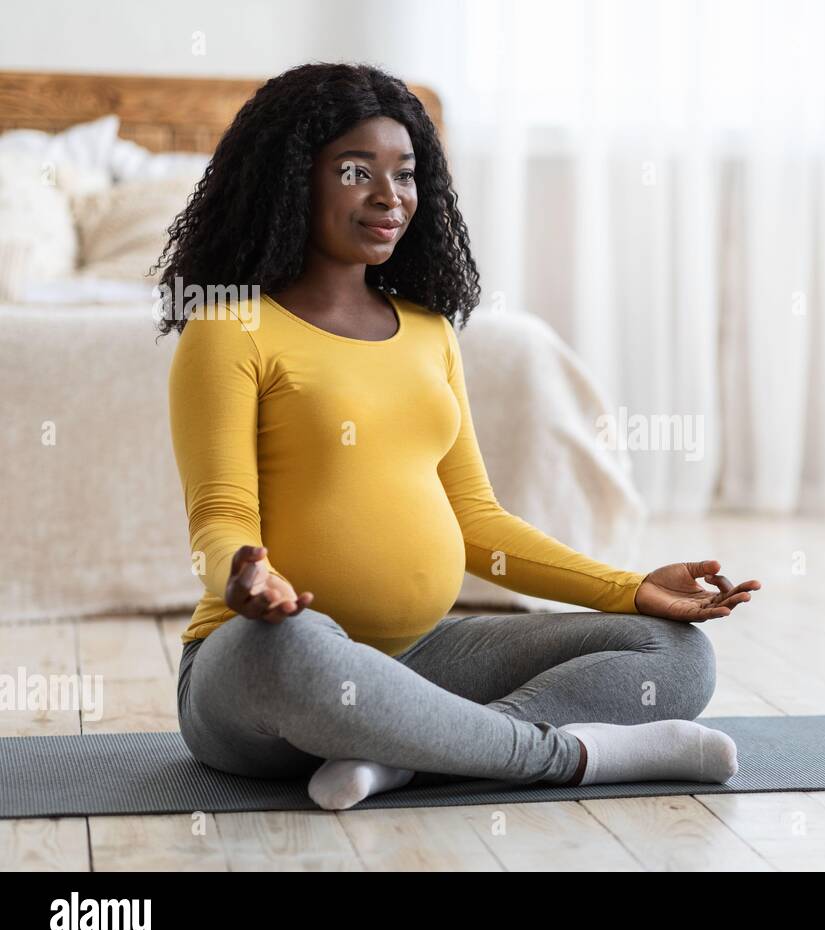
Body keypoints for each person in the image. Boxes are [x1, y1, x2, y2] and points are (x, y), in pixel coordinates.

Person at [155, 62, 761, 810]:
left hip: (422, 659)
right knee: (295, 649)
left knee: (671, 653)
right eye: (355, 172)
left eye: (405, 174)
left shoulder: (429, 330)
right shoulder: (230, 330)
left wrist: (630, 588)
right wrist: (242, 574)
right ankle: (565, 758)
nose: (388, 197)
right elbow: (220, 518)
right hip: (261, 671)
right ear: (290, 179)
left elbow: (477, 522)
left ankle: (402, 758)